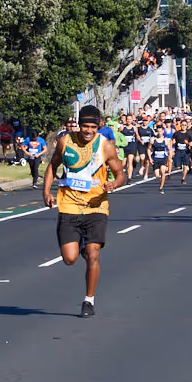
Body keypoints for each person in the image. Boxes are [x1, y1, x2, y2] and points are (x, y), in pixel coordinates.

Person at [42, 105, 125, 317]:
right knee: (69, 258)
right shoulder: (65, 141)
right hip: (69, 205)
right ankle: (80, 247)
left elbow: (120, 174)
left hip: (96, 206)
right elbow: (53, 165)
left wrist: (113, 185)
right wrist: (46, 192)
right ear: (78, 125)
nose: (88, 131)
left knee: (93, 253)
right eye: (85, 126)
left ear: (99, 126)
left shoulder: (106, 147)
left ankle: (89, 300)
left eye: (93, 127)